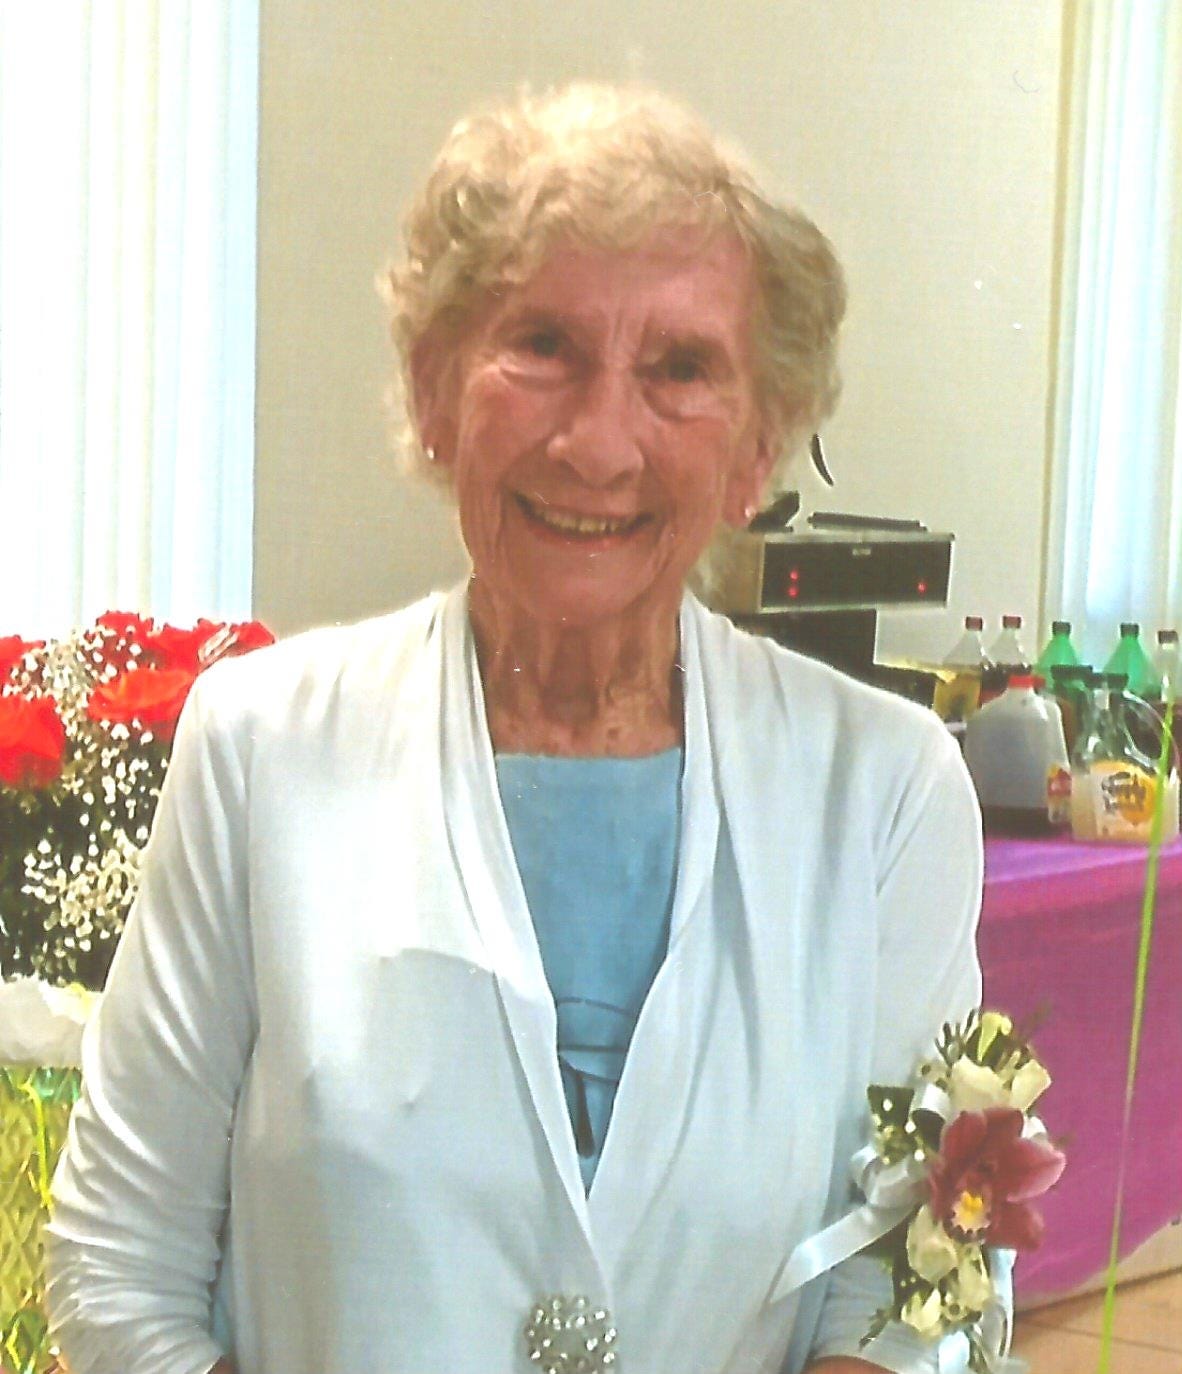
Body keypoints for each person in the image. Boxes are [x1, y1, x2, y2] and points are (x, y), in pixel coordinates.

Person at [46, 84, 984, 1374]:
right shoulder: (262, 750)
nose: (599, 444)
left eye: (680, 369)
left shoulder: (883, 792)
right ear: (434, 393)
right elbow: (117, 1267)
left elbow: (914, 1278)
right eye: (542, 345)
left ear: (759, 447)